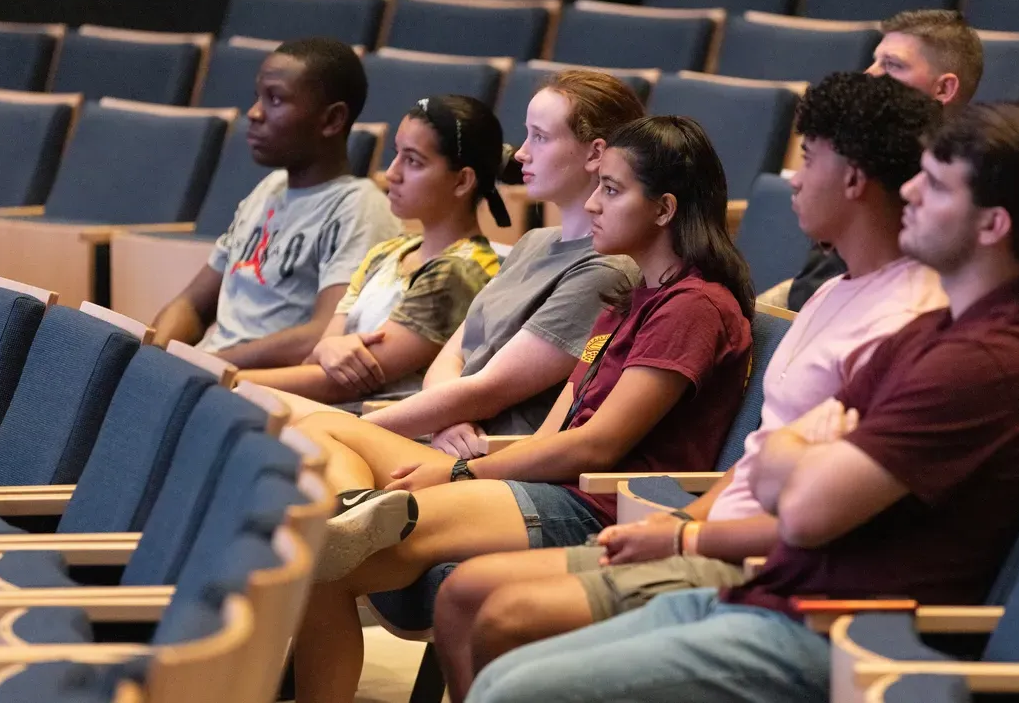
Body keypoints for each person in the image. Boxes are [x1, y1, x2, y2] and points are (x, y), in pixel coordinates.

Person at [464, 101, 1019, 703]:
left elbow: (806, 508)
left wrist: (787, 458)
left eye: (938, 185)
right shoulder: (934, 332)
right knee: (504, 674)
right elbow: (775, 472)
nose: (910, 191)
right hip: (775, 592)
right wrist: (794, 457)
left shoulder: (980, 362)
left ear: (993, 224)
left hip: (841, 635)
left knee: (516, 684)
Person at [292, 115, 755, 703]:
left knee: (322, 560)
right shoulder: (631, 296)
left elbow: (596, 446)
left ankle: (359, 515)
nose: (591, 204)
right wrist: (478, 452)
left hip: (596, 505)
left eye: (610, 190)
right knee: (324, 427)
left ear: (664, 210)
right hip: (553, 480)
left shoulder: (693, 307)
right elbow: (561, 426)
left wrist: (459, 470)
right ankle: (356, 511)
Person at [302, 70, 646, 458]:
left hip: (487, 456)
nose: (521, 153)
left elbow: (491, 389)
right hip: (444, 436)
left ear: (596, 154)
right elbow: (450, 357)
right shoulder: (531, 243)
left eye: (541, 137)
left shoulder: (606, 268)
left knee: (301, 442)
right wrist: (448, 419)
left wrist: (343, 430)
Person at [235, 95, 503, 404]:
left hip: (385, 431)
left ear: (462, 181)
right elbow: (318, 358)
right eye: (396, 154)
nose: (392, 173)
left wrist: (227, 379)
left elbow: (344, 383)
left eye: (413, 161)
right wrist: (326, 348)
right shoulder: (387, 252)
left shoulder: (459, 271)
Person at [150, 38, 400, 369]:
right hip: (212, 371)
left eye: (276, 99)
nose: (254, 113)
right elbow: (193, 304)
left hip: (261, 387)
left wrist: (208, 365)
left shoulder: (359, 208)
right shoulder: (268, 189)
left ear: (332, 120)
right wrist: (154, 356)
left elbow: (324, 333)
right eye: (258, 97)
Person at [772, 9, 984, 311]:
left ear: (944, 88)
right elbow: (809, 290)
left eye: (892, 65)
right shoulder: (863, 147)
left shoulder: (970, 184)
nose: (870, 73)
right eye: (874, 60)